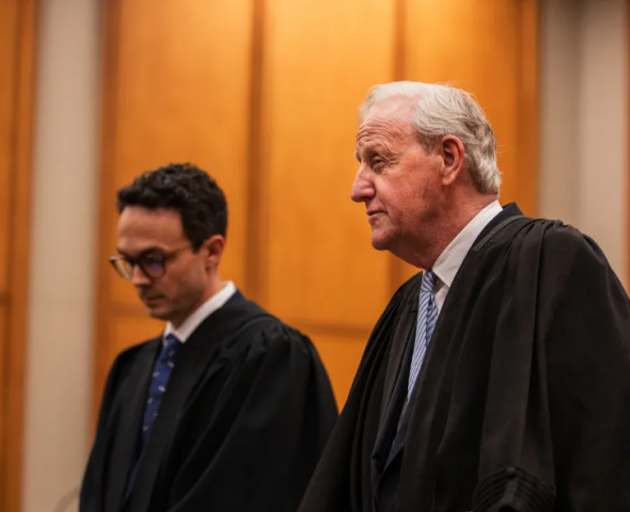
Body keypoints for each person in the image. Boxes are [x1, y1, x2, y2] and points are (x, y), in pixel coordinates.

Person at [298, 82, 630, 512]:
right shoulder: (408, 306)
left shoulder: (551, 262)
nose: (358, 189)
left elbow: (602, 460)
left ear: (449, 159)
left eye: (378, 162)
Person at [80, 163, 338, 512]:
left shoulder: (271, 356)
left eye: (154, 260)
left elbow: (245, 495)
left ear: (212, 251)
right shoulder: (133, 367)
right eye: (128, 261)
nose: (138, 279)